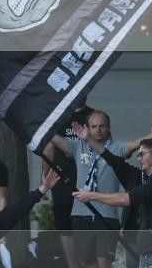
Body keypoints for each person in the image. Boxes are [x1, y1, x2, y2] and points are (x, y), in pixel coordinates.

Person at [46, 110, 152, 268]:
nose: (98, 129)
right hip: (81, 213)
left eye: (102, 126)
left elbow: (135, 144)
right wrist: (42, 121)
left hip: (107, 215)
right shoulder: (77, 146)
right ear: (87, 128)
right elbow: (52, 137)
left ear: (109, 127)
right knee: (87, 263)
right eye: (94, 126)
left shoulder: (116, 148)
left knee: (104, 262)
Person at [73, 137, 152, 268]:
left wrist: (91, 195)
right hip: (151, 253)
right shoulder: (148, 178)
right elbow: (115, 161)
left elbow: (127, 199)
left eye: (142, 155)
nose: (139, 159)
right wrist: (88, 139)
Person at [50, 99, 93, 268]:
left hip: (86, 177)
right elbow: (49, 148)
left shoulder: (93, 116)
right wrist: (44, 177)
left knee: (84, 222)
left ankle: (87, 262)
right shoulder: (58, 116)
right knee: (63, 223)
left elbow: (105, 144)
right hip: (61, 177)